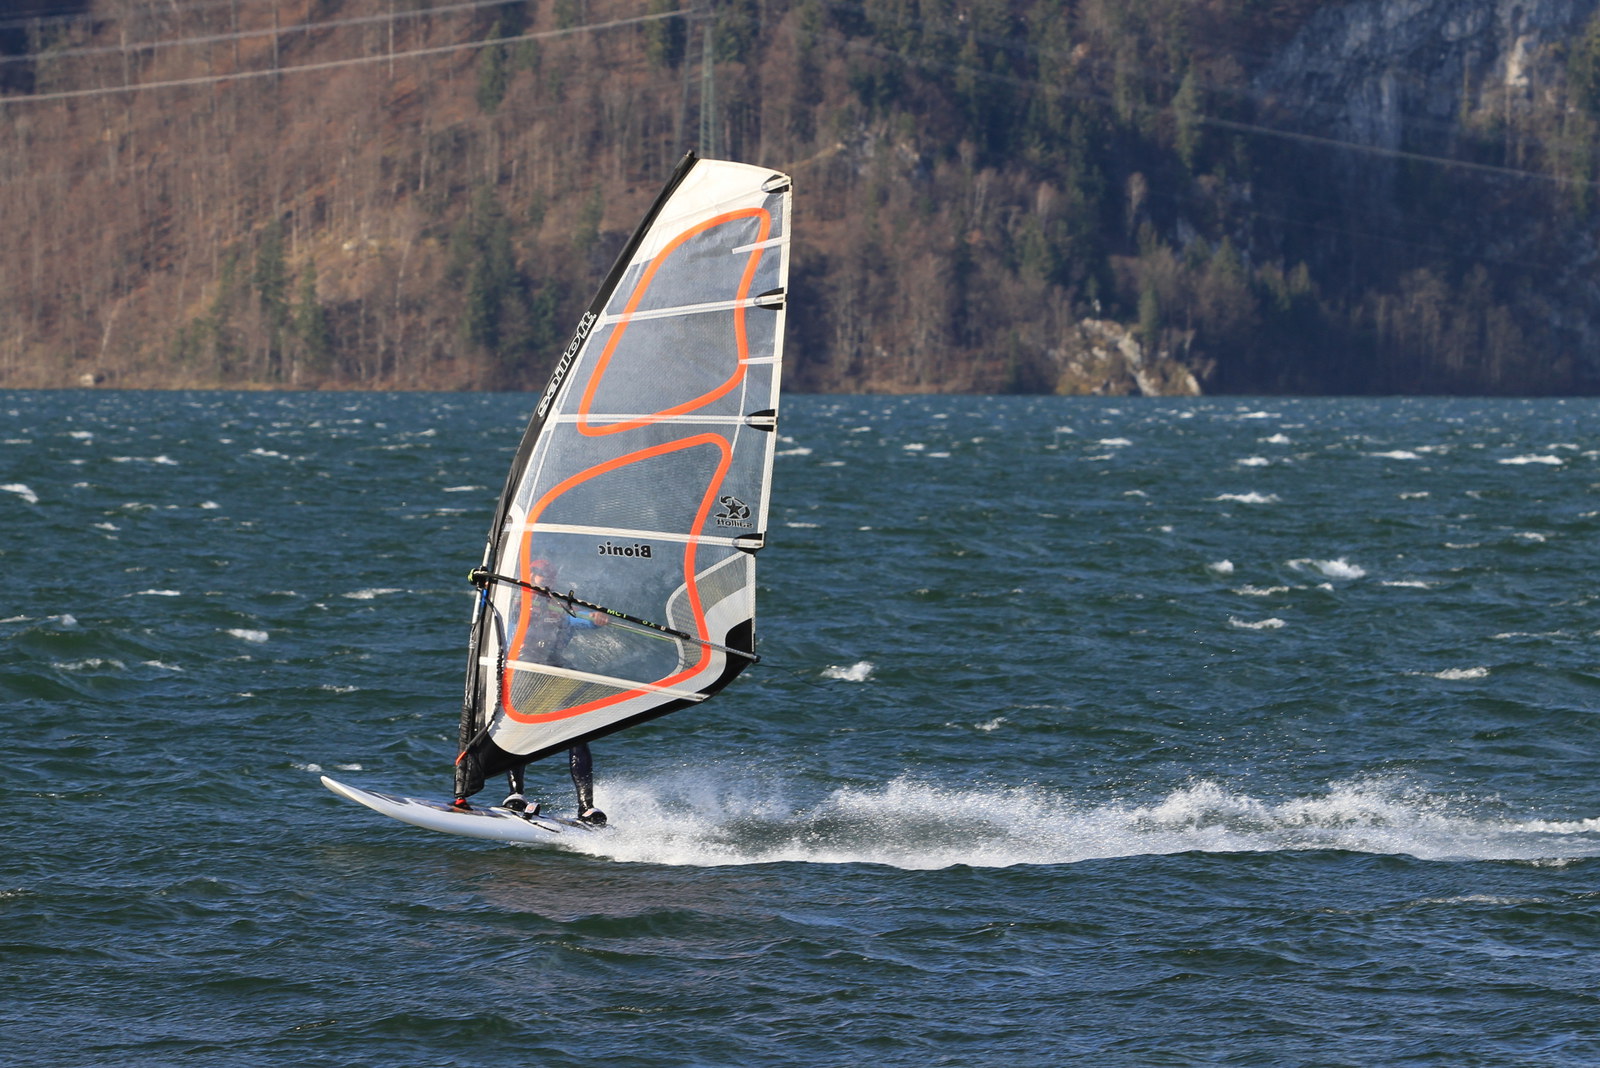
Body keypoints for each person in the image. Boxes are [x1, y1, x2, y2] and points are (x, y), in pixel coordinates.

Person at [499, 559, 609, 825]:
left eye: (546, 574)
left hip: (556, 672)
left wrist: (596, 620)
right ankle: (516, 794)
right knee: (518, 730)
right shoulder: (516, 604)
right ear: (529, 576)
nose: (541, 578)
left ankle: (586, 807)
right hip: (524, 670)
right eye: (537, 573)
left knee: (578, 735)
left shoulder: (560, 608)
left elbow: (583, 621)